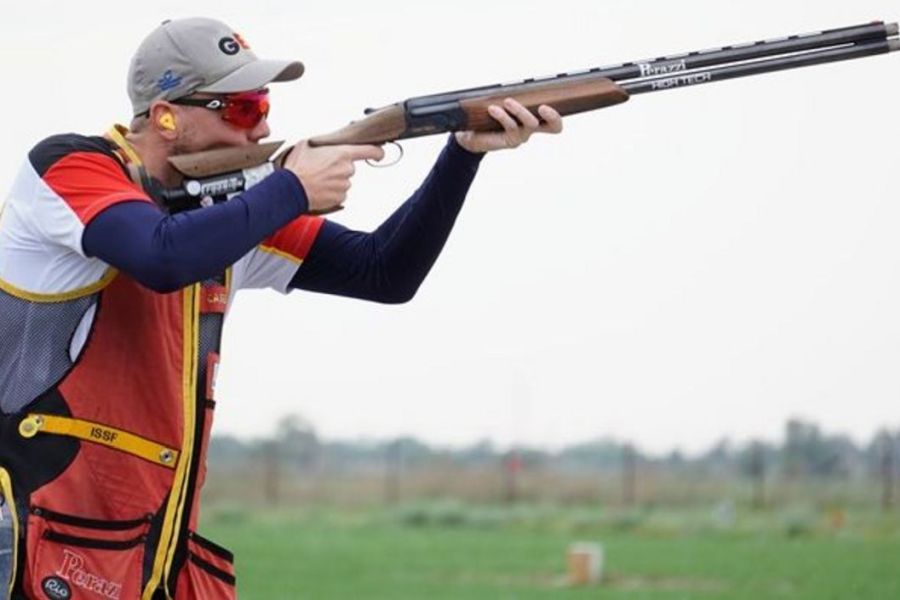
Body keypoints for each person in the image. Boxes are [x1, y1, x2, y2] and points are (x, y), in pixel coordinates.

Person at [0, 17, 562, 600]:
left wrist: (462, 154)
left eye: (262, 105)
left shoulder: (231, 210)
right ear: (166, 116)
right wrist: (290, 188)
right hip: (28, 542)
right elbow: (161, 256)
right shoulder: (68, 167)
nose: (263, 125)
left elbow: (384, 271)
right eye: (241, 109)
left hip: (142, 562)